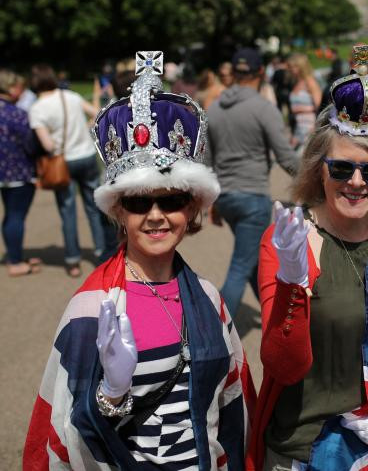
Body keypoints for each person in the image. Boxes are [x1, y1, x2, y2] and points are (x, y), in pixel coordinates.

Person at [24, 50, 255, 470]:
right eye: (136, 202)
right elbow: (61, 431)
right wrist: (111, 396)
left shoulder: (208, 296)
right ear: (116, 210)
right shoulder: (92, 308)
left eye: (171, 199)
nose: (155, 216)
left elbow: (232, 405)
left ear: (192, 207)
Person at [247, 45, 368, 470]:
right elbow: (283, 364)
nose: (356, 183)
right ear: (319, 168)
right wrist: (292, 285)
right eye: (341, 169)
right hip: (303, 450)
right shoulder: (289, 240)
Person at [206, 47, 300, 319]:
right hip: (252, 199)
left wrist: (213, 202)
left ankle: (276, 313)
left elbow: (207, 163)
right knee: (240, 267)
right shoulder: (263, 108)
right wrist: (318, 180)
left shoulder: (213, 109)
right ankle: (214, 333)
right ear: (261, 72)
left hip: (225, 198)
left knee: (252, 261)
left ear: (234, 73)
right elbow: (285, 157)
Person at [28, 64, 104, 277]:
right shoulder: (69, 96)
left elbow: (48, 146)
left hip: (63, 162)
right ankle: (101, 252)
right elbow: (97, 114)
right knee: (93, 207)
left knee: (67, 211)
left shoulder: (37, 109)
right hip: (86, 156)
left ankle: (72, 260)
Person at [0, 69, 40, 276]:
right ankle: (15, 262)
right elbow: (30, 145)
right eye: (19, 87)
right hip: (18, 172)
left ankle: (13, 254)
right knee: (16, 216)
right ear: (10, 88)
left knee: (9, 215)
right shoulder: (18, 114)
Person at [287, 53, 322, 151]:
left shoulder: (310, 82)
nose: (292, 69)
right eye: (290, 67)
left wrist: (315, 127)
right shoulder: (295, 82)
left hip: (309, 124)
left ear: (302, 67)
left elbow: (319, 107)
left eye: (295, 66)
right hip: (297, 124)